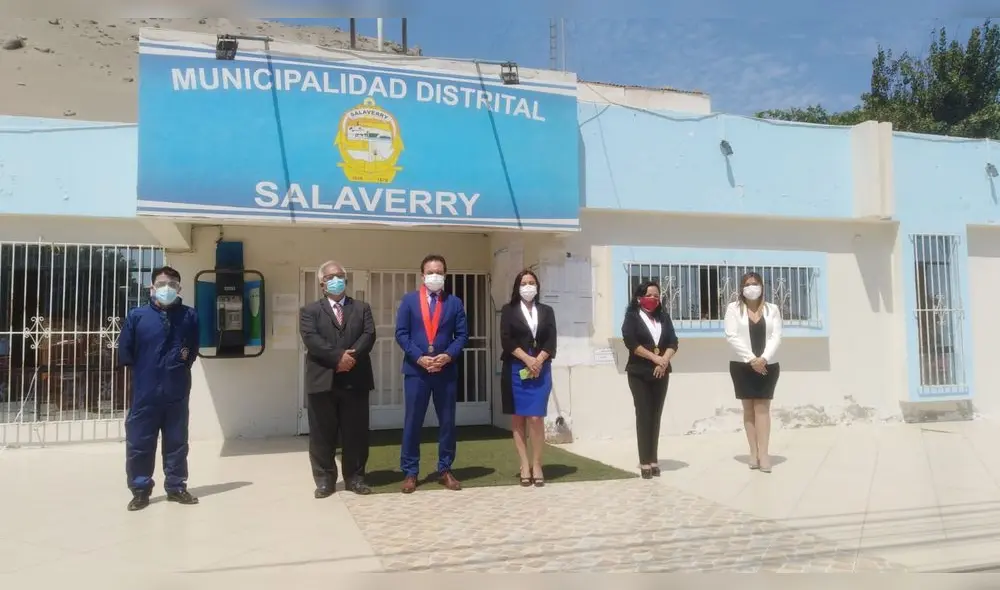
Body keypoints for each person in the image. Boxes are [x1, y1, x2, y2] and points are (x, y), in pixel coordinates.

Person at [118, 266, 200, 511]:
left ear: (179, 288)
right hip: (145, 392)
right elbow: (126, 353)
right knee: (140, 442)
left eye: (172, 284)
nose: (167, 288)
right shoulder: (137, 316)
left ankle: (176, 487)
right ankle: (140, 489)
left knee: (177, 442)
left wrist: (178, 363)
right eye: (162, 284)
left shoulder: (189, 316)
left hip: (176, 391)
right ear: (152, 287)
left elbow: (192, 350)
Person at [299, 260, 376, 498]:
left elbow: (369, 334)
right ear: (322, 283)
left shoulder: (362, 308)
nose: (336, 279)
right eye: (331, 276)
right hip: (322, 380)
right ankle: (324, 480)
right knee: (322, 433)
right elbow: (311, 339)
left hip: (356, 379)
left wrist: (350, 357)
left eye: (340, 275)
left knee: (356, 432)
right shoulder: (309, 311)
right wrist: (337, 358)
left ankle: (355, 478)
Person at [394, 254, 469, 493]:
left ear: (444, 275)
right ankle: (410, 472)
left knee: (447, 422)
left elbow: (462, 336)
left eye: (439, 272)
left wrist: (447, 356)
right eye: (430, 272)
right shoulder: (408, 301)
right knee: (413, 421)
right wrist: (419, 357)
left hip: (445, 371)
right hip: (417, 371)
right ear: (422, 275)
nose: (434, 276)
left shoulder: (454, 303)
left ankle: (445, 469)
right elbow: (401, 333)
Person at [499, 270, 557, 487]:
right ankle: (524, 464)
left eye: (532, 282)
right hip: (516, 367)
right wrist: (526, 359)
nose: (528, 286)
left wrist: (538, 361)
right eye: (524, 283)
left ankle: (537, 463)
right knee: (518, 418)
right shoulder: (509, 310)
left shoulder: (547, 311)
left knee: (536, 418)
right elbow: (506, 339)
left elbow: (551, 341)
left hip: (541, 367)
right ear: (517, 286)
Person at [724, 271, 783, 473]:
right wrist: (751, 359)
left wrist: (763, 358)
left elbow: (777, 336)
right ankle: (753, 453)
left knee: (763, 409)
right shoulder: (733, 309)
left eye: (755, 283)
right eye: (747, 284)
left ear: (762, 286)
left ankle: (764, 454)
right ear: (742, 288)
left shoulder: (772, 309)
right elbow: (731, 335)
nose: (752, 287)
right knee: (748, 409)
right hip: (742, 365)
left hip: (767, 364)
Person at [621, 280, 679, 479]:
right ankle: (644, 460)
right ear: (639, 298)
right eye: (650, 295)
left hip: (661, 372)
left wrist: (664, 360)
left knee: (656, 415)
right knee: (644, 414)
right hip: (640, 371)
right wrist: (654, 358)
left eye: (657, 295)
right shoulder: (632, 317)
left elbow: (673, 341)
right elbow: (631, 342)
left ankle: (654, 458)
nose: (654, 298)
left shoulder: (663, 317)